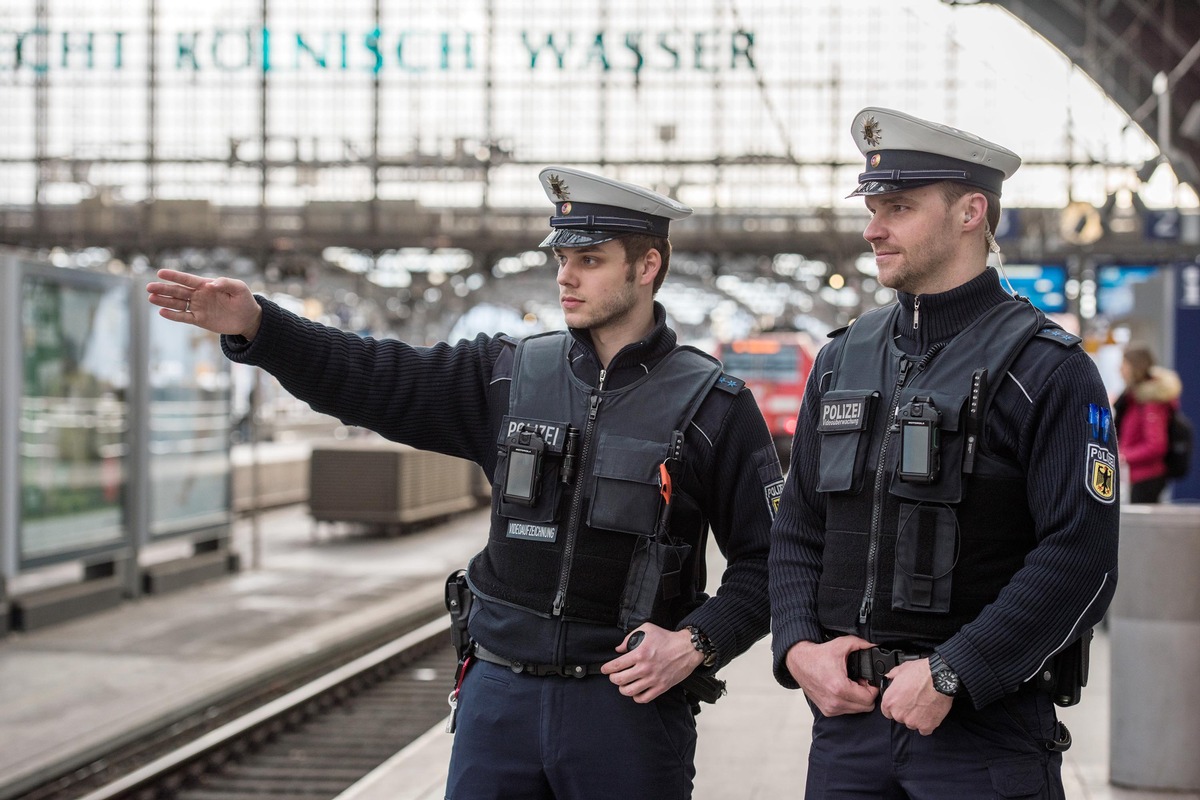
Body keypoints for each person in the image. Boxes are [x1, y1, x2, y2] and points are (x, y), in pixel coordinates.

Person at [146, 166, 781, 800]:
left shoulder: (714, 407)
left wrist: (699, 642)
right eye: (563, 256)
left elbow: (769, 560)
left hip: (626, 711)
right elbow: (375, 378)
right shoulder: (508, 376)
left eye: (590, 259)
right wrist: (262, 328)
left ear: (647, 267)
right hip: (498, 705)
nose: (566, 275)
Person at [768, 107, 1120, 798]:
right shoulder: (841, 360)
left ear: (970, 212)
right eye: (872, 208)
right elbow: (799, 525)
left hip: (984, 733)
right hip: (849, 733)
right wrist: (797, 647)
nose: (873, 228)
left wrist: (956, 669)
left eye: (898, 207)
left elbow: (1080, 555)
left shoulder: (1047, 368)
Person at [1114, 344, 1182, 503]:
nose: (1120, 370)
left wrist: (1123, 456)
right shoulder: (1133, 399)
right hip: (1133, 476)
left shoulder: (1151, 403)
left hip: (1146, 478)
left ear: (1134, 367)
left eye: (1124, 365)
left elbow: (1156, 445)